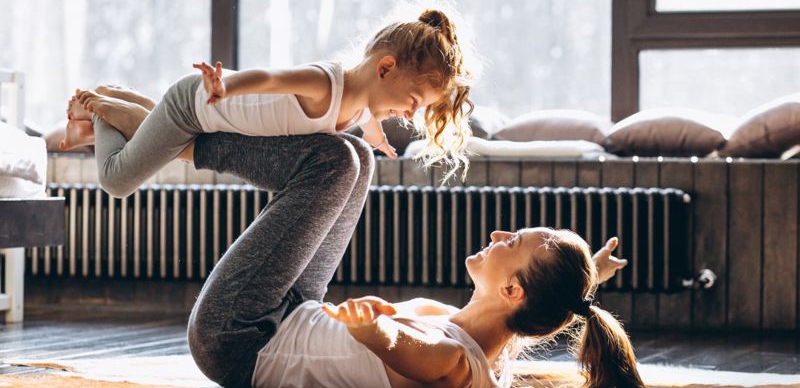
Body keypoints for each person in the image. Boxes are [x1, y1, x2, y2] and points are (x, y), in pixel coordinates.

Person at [69, 93, 639, 387]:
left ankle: (171, 133)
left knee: (333, 160)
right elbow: (559, 299)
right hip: (293, 313)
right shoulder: (484, 336)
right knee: (358, 157)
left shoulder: (456, 368)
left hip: (240, 340)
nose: (497, 233)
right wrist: (590, 274)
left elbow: (407, 352)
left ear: (514, 291)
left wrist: (378, 329)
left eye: (512, 240)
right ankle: (164, 132)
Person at [61, 8, 475, 199]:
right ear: (385, 68)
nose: (410, 113)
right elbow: (270, 78)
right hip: (195, 106)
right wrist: (227, 86)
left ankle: (116, 96)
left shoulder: (364, 107)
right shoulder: (325, 83)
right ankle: (98, 109)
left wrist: (378, 138)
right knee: (116, 181)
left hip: (210, 118)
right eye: (413, 101)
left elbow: (369, 122)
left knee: (163, 139)